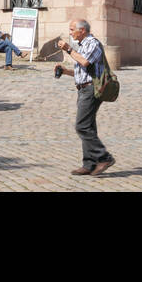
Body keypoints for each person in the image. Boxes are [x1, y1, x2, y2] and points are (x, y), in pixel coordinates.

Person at [56, 19, 113, 177]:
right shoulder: (82, 46)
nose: (70, 32)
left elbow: (85, 62)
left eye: (72, 29)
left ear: (82, 30)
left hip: (91, 90)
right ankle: (89, 164)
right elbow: (82, 72)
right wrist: (65, 71)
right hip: (84, 89)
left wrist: (68, 49)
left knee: (82, 126)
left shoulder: (92, 43)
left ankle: (104, 157)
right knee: (88, 127)